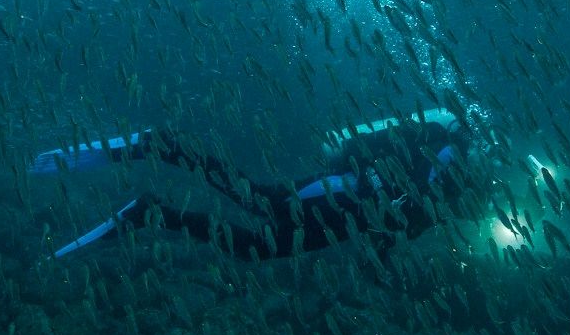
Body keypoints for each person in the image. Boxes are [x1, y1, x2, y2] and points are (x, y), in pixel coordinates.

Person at [31, 108, 479, 259]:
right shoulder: (442, 150)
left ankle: (152, 213)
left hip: (344, 224)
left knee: (252, 249)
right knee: (256, 198)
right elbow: (406, 195)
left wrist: (384, 248)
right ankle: (162, 144)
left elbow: (409, 221)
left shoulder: (452, 182)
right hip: (338, 194)